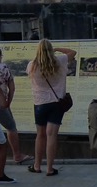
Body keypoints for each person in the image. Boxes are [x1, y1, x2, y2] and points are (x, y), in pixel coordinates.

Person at [27, 38, 76, 176]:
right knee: (51, 135)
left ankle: (37, 165)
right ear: (50, 50)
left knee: (40, 135)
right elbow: (73, 52)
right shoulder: (59, 61)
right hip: (56, 102)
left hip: (39, 103)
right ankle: (49, 168)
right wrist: (57, 49)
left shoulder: (32, 65)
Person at [0, 47, 33, 166]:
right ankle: (17, 155)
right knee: (11, 127)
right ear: (0, 56)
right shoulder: (3, 67)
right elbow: (12, 87)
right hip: (0, 105)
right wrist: (8, 102)